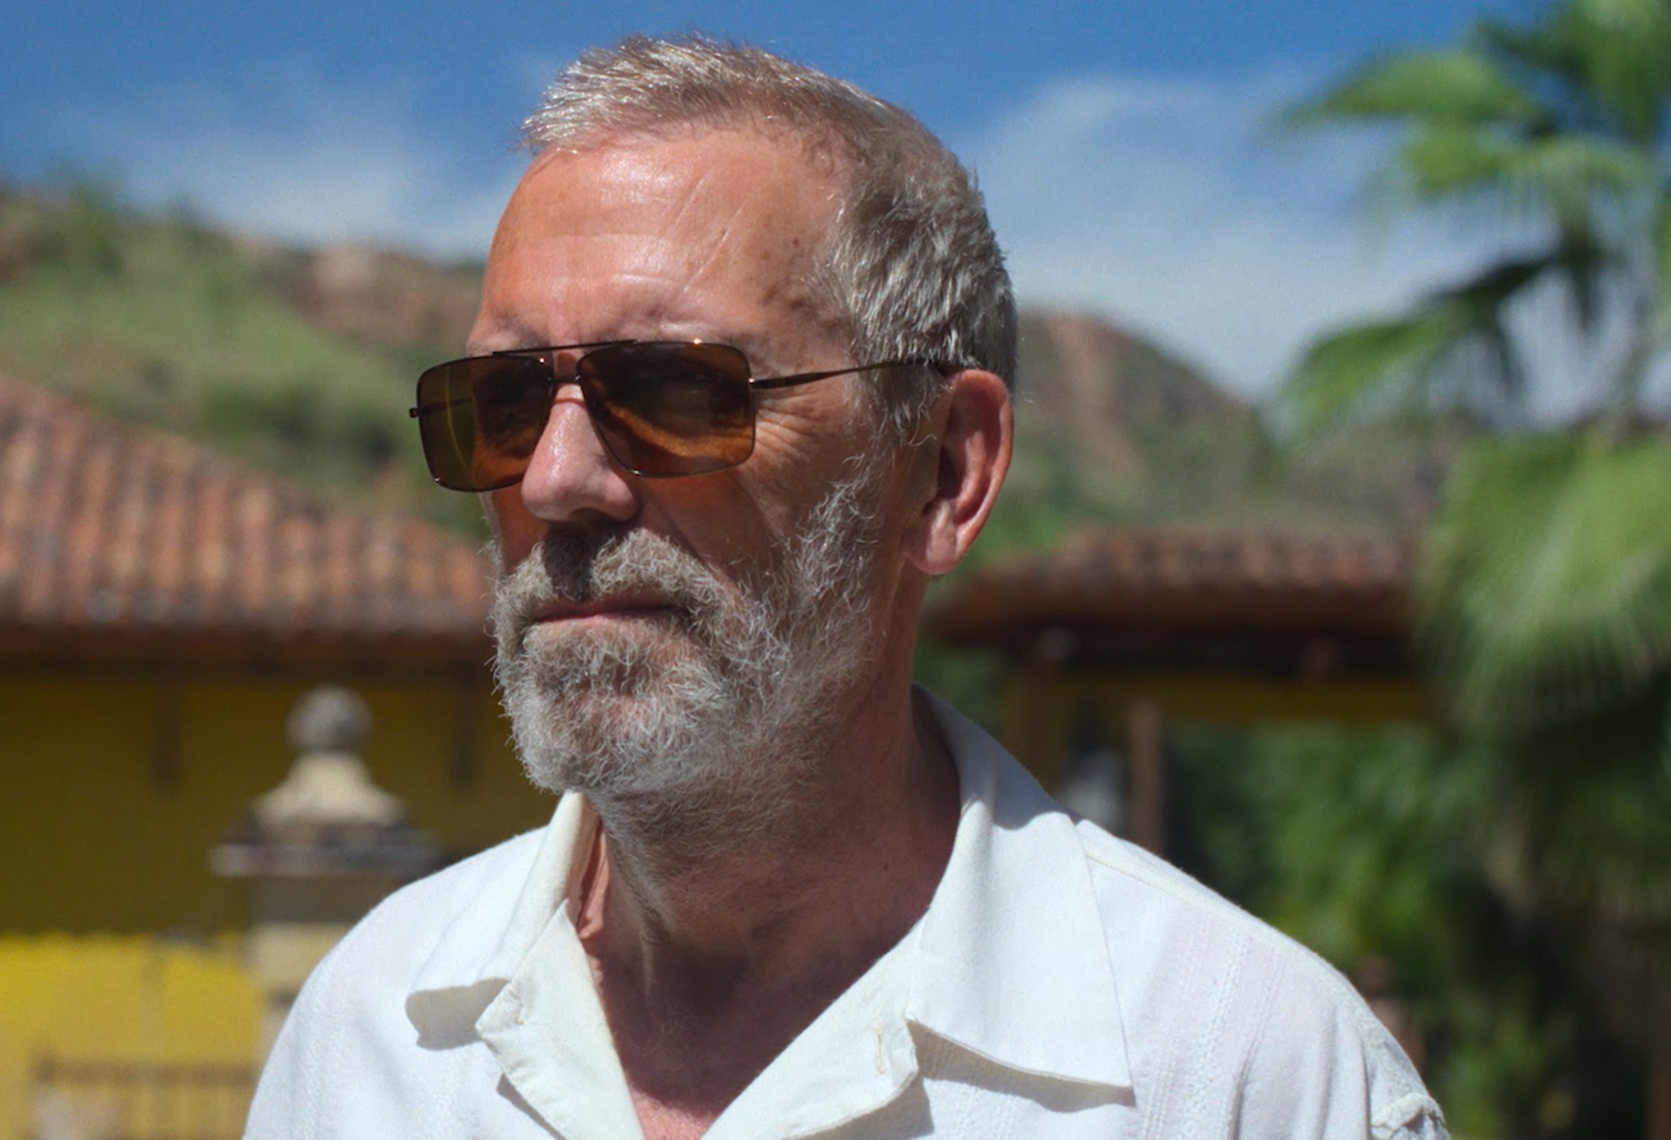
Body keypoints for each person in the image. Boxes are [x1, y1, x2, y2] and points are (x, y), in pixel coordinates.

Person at [247, 34, 1445, 1140]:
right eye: (504, 404)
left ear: (941, 471)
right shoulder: (374, 1040)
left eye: (674, 391)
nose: (557, 481)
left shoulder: (1243, 1077)